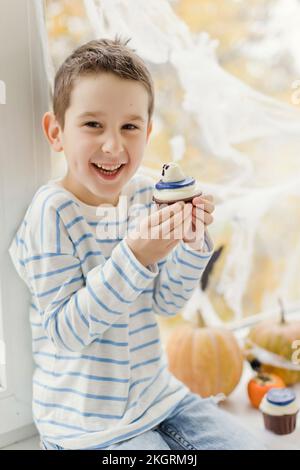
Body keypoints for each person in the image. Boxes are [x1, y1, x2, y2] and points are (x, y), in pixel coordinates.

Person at [8, 37, 263, 450]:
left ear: (147, 132)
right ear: (56, 132)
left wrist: (190, 243)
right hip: (86, 428)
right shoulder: (52, 213)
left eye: (129, 126)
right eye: (92, 124)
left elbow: (165, 303)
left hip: (159, 398)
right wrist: (136, 256)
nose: (113, 145)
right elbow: (65, 333)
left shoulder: (146, 195)